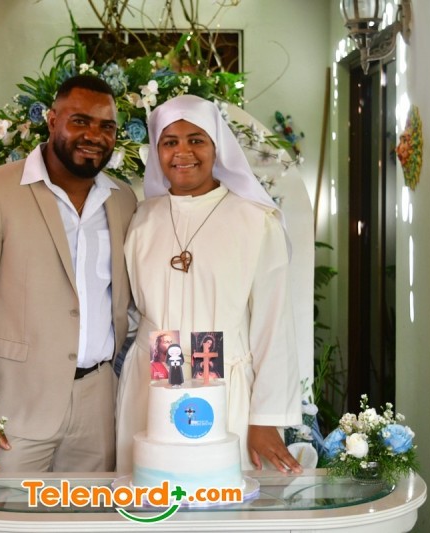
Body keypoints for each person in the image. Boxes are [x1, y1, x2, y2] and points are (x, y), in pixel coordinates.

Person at [0, 75, 138, 472]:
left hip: (98, 407)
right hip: (12, 405)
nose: (94, 135)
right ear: (52, 120)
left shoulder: (123, 199)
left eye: (106, 126)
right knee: (0, 511)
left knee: (91, 511)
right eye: (80, 121)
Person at [116, 95, 303, 474]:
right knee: (150, 492)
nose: (182, 152)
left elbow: (274, 325)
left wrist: (265, 418)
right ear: (157, 151)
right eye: (170, 142)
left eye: (196, 140)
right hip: (150, 384)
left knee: (219, 493)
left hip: (226, 385)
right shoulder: (142, 218)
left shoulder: (256, 220)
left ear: (217, 147)